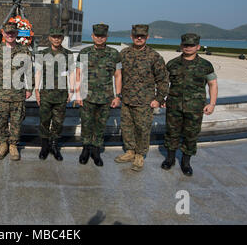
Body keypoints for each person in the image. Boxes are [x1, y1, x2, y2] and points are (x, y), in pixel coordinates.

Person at [161, 33, 218, 176]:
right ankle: (170, 159)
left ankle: (186, 162)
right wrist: (162, 98)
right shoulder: (172, 64)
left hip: (195, 107)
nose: (188, 47)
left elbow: (213, 84)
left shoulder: (205, 65)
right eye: (185, 45)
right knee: (171, 132)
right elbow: (163, 83)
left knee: (191, 134)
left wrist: (212, 104)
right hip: (174, 106)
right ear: (181, 46)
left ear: (198, 47)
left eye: (191, 45)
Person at [114, 24, 169, 171]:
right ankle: (130, 151)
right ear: (131, 37)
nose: (139, 38)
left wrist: (159, 98)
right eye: (136, 36)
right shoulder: (124, 54)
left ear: (147, 37)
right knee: (127, 128)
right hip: (126, 99)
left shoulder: (154, 56)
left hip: (145, 101)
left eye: (142, 36)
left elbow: (163, 80)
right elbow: (118, 75)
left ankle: (140, 155)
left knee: (143, 129)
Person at [75, 24, 122, 166]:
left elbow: (118, 75)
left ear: (106, 37)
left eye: (102, 36)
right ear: (92, 36)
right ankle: (85, 149)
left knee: (100, 125)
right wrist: (77, 94)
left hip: (106, 97)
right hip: (87, 96)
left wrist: (117, 95)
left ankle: (96, 151)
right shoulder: (84, 52)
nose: (99, 38)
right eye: (97, 36)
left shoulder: (114, 54)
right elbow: (78, 74)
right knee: (86, 123)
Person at [0, 22, 33, 161]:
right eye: (8, 33)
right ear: (3, 33)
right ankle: (3, 144)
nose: (10, 35)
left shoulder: (24, 50)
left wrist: (29, 88)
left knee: (16, 122)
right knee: (1, 122)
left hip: (18, 94)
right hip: (1, 94)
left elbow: (29, 71)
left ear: (16, 34)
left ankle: (13, 145)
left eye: (13, 33)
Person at [35, 27, 75, 161]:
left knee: (58, 123)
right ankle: (44, 146)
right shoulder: (42, 53)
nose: (56, 39)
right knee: (44, 121)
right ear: (49, 38)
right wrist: (37, 90)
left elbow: (71, 74)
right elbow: (39, 72)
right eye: (54, 37)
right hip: (46, 94)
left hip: (61, 95)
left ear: (62, 38)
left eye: (59, 37)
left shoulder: (68, 54)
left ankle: (54, 146)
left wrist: (71, 90)